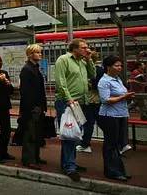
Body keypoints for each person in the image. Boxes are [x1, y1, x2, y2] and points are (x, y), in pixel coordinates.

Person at [54, 38, 96, 182]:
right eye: (84, 47)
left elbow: (93, 75)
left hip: (81, 103)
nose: (87, 49)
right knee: (69, 133)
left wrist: (89, 59)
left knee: (73, 133)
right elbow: (61, 81)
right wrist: (68, 98)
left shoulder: (82, 62)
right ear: (75, 48)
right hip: (67, 103)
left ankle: (68, 163)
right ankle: (70, 166)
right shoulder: (63, 59)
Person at [97, 55, 134, 181]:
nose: (119, 68)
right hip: (109, 116)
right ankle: (111, 171)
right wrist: (124, 97)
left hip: (121, 114)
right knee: (110, 144)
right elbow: (105, 100)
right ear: (108, 67)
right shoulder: (104, 81)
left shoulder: (117, 79)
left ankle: (118, 169)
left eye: (120, 65)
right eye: (116, 65)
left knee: (117, 144)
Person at [20, 44, 47, 169]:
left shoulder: (35, 68)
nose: (40, 54)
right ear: (30, 54)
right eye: (37, 52)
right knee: (30, 133)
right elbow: (26, 91)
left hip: (37, 106)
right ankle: (29, 159)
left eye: (40, 52)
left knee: (36, 133)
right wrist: (31, 108)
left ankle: (35, 157)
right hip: (32, 107)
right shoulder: (27, 69)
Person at [76, 49, 104, 154]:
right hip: (97, 99)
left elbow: (93, 85)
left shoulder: (91, 70)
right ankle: (116, 141)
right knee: (97, 121)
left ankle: (85, 144)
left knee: (88, 122)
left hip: (90, 99)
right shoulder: (101, 70)